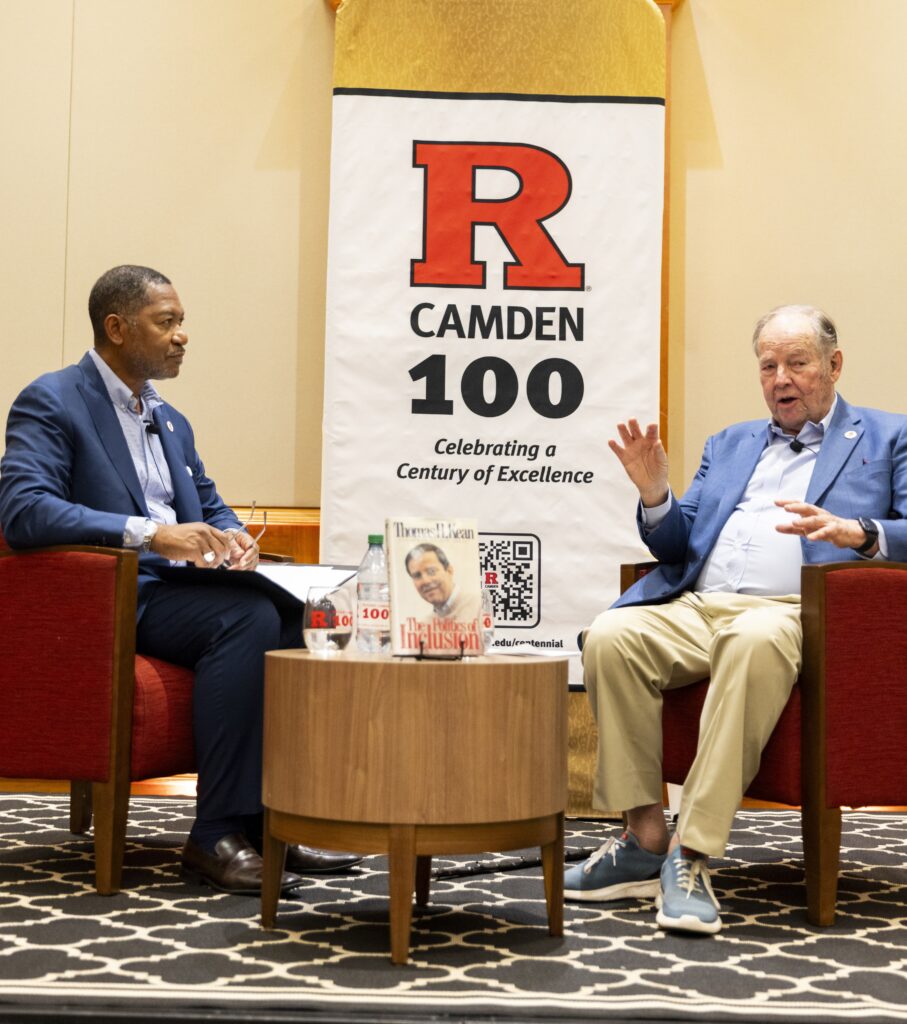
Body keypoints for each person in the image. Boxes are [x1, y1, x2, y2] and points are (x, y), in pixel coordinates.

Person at [0, 265, 362, 894]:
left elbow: (209, 505)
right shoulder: (53, 400)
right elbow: (23, 510)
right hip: (116, 596)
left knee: (292, 615)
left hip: (182, 589)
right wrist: (149, 532)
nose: (182, 336)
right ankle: (212, 834)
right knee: (245, 619)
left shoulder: (170, 419)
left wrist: (234, 542)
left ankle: (269, 822)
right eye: (165, 322)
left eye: (181, 323)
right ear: (116, 328)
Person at [565, 304, 907, 935]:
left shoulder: (888, 437)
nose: (781, 378)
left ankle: (692, 855)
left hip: (795, 612)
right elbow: (677, 545)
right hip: (699, 605)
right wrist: (655, 496)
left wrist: (860, 533)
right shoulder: (730, 443)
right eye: (768, 365)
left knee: (754, 639)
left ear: (834, 365)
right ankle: (643, 838)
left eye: (797, 363)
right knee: (613, 636)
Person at [405, 542, 481, 622]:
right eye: (417, 576)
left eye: (431, 571)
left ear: (449, 571)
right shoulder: (423, 626)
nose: (426, 581)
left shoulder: (479, 607)